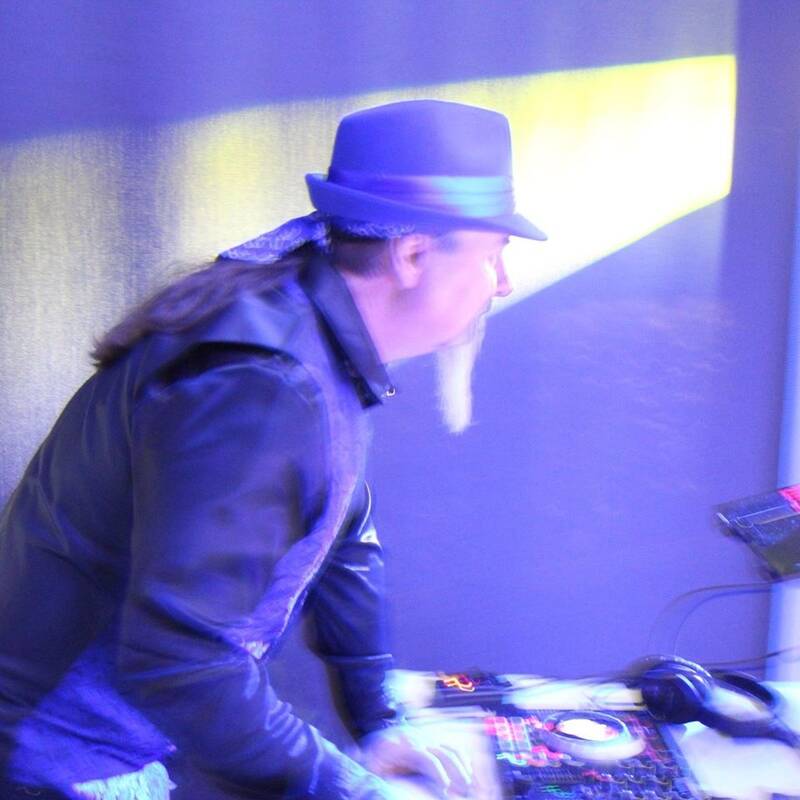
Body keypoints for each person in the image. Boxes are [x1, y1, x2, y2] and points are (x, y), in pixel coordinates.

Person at [0, 99, 546, 800]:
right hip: (56, 759)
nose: (503, 282)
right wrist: (356, 790)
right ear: (413, 255)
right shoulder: (264, 385)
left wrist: (380, 722)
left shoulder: (307, 330)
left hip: (119, 735)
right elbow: (181, 660)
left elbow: (343, 525)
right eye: (493, 255)